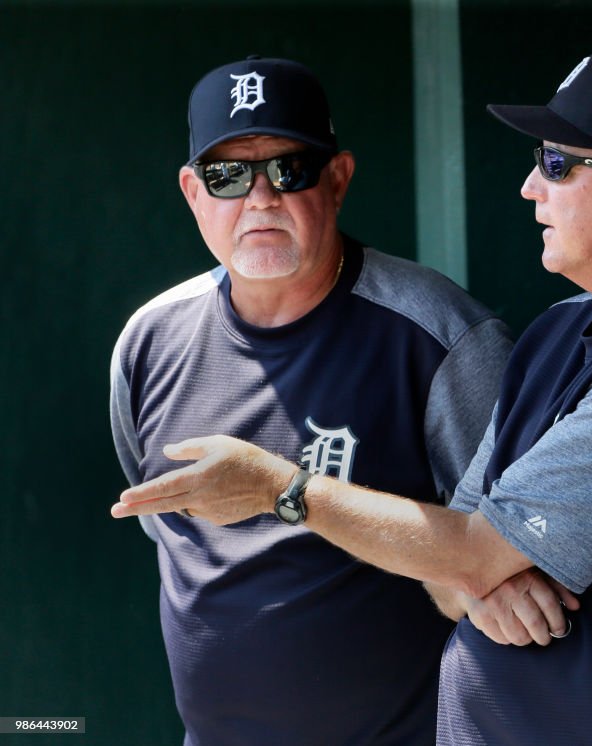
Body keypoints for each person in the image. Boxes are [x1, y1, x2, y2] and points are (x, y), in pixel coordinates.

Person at [113, 47, 592, 744]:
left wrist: (282, 489)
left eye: (558, 164)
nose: (529, 188)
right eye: (229, 175)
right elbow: (458, 565)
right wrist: (471, 565)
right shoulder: (561, 329)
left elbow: (471, 551)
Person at [109, 56, 512, 746]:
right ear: (191, 191)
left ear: (338, 179)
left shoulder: (439, 335)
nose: (259, 198)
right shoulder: (149, 339)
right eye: (227, 175)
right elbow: (168, 530)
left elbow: (508, 558)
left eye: (288, 169)